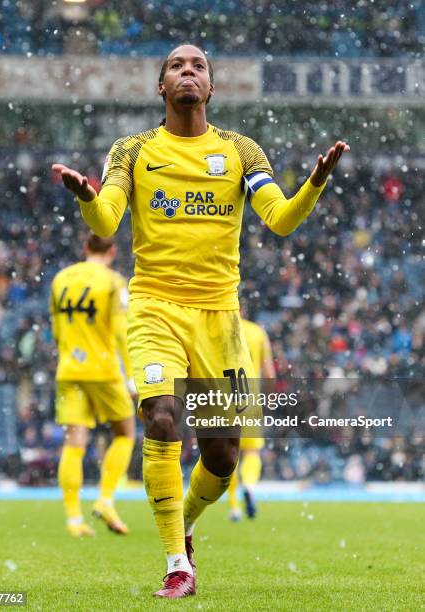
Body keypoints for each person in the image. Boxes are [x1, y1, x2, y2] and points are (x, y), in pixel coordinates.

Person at [52, 43, 349, 597]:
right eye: (176, 66)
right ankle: (175, 564)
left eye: (199, 66)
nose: (188, 71)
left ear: (211, 87)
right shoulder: (133, 149)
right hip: (153, 307)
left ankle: (185, 523)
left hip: (218, 318)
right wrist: (87, 198)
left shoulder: (240, 151)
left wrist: (314, 184)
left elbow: (280, 221)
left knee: (222, 455)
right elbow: (109, 219)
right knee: (161, 418)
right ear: (160, 86)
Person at [50, 233, 136, 537]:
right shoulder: (113, 282)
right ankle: (105, 499)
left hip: (69, 367)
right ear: (112, 251)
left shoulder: (61, 278)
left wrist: (69, 354)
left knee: (74, 442)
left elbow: (57, 329)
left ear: (85, 247)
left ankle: (74, 519)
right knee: (125, 433)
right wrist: (132, 375)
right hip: (103, 368)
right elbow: (121, 332)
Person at [227, 312, 276, 521]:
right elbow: (269, 374)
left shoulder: (222, 330)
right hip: (249, 394)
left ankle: (234, 507)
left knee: (228, 454)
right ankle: (248, 484)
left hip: (223, 394)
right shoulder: (257, 332)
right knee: (252, 452)